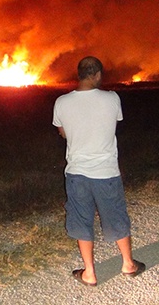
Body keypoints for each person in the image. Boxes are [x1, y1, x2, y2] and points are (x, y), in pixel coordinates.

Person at [52, 56, 145, 287]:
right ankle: (128, 264)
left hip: (77, 173)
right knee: (115, 215)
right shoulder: (112, 98)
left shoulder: (61, 102)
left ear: (79, 74)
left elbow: (62, 132)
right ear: (97, 75)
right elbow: (114, 122)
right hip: (106, 172)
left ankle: (90, 273)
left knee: (82, 220)